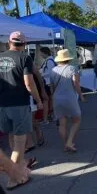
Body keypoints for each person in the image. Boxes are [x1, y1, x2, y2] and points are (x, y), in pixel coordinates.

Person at [0, 31, 42, 190]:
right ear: (24, 44)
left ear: (10, 42)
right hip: (19, 104)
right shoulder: (25, 58)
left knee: (12, 137)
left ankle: (20, 164)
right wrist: (38, 100)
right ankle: (14, 178)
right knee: (20, 142)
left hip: (2, 105)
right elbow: (29, 83)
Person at [50, 49, 84, 152]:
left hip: (57, 98)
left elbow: (51, 87)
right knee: (77, 120)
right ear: (68, 59)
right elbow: (76, 84)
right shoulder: (73, 69)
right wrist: (81, 95)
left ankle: (65, 144)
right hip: (69, 97)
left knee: (62, 123)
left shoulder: (53, 70)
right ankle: (69, 142)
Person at [40, 47, 56, 124]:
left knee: (46, 101)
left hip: (48, 83)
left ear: (44, 53)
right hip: (48, 83)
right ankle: (50, 116)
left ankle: (46, 118)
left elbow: (51, 72)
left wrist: (41, 74)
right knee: (50, 100)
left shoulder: (49, 61)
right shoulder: (49, 60)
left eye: (41, 53)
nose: (40, 55)